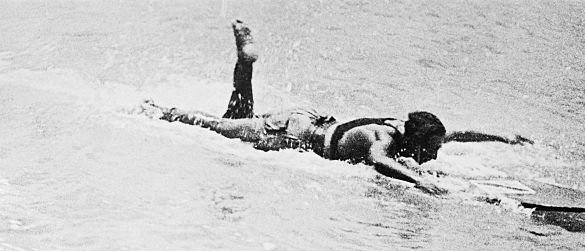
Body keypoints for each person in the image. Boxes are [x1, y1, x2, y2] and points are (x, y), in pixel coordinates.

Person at [139, 21, 531, 196]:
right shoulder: (383, 138)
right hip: (292, 133)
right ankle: (163, 111)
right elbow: (379, 160)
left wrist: (501, 137)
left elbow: (456, 134)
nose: (435, 153)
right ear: (416, 140)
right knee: (218, 128)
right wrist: (420, 182)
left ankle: (245, 63)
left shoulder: (405, 128)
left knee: (235, 113)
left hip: (306, 120)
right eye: (434, 148)